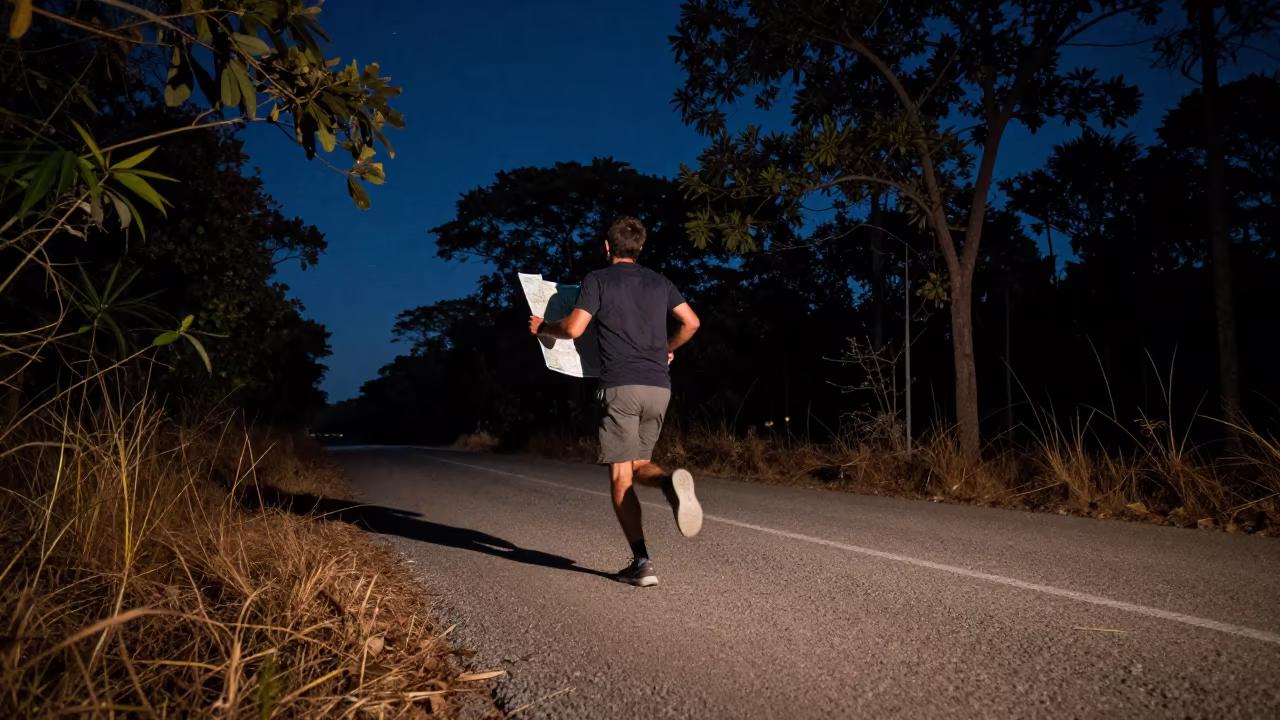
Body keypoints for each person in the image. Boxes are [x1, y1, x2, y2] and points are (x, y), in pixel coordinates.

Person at [528, 215, 702, 587]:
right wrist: (666, 350)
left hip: (621, 387)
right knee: (640, 465)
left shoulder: (598, 279)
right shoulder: (659, 281)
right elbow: (692, 323)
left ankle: (642, 564)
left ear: (607, 247)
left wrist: (543, 328)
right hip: (659, 387)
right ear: (639, 248)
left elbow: (574, 329)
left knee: (621, 478)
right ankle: (671, 484)